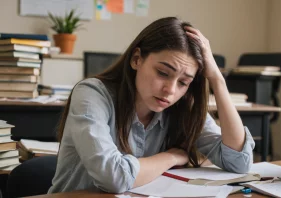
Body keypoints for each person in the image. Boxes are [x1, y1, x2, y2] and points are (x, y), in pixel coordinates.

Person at [48, 17, 255, 194]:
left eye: (183, 82)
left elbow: (239, 162)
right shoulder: (92, 93)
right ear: (137, 59)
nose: (170, 90)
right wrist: (171, 156)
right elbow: (113, 177)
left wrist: (217, 80)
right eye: (163, 73)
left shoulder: (182, 107)